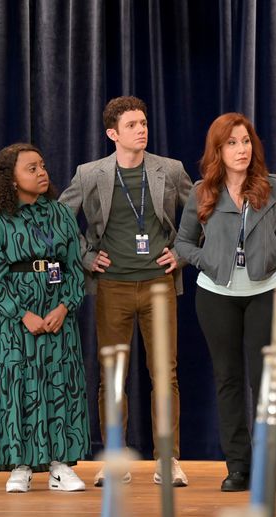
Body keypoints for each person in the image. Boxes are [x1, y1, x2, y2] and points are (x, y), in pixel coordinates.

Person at [60, 96, 193, 487]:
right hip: (112, 285)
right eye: (132, 124)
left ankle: (167, 460)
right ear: (112, 133)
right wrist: (86, 257)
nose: (141, 129)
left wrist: (183, 252)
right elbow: (59, 220)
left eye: (144, 123)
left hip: (158, 284)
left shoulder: (169, 169)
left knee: (164, 374)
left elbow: (203, 212)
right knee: (112, 377)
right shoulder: (90, 173)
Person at [174, 112, 276, 492]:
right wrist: (206, 260)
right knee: (227, 380)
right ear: (218, 150)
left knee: (265, 385)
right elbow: (182, 243)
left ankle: (265, 467)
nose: (241, 149)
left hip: (267, 292)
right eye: (231, 143)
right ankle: (238, 467)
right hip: (217, 297)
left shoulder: (273, 187)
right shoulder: (202, 191)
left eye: (245, 141)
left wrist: (274, 253)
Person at [0, 143, 89, 493]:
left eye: (42, 166)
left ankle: (61, 465)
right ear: (11, 180)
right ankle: (20, 464)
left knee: (60, 381)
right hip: (16, 321)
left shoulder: (61, 214)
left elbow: (75, 269)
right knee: (18, 384)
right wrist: (21, 313)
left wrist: (64, 307)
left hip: (57, 314)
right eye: (31, 168)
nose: (42, 173)